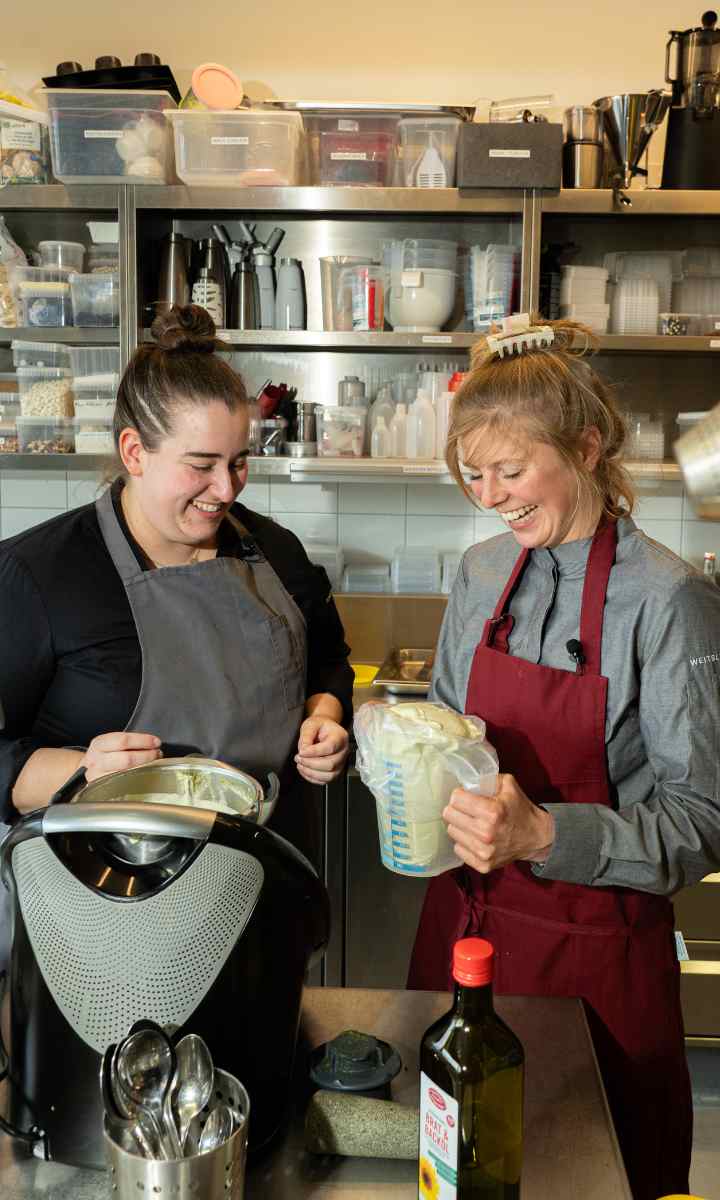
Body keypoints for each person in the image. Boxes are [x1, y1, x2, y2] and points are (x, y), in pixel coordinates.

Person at [407, 316, 720, 1200]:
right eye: (474, 474)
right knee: (455, 1167)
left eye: (510, 471)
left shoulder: (668, 599)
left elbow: (703, 822)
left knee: (589, 1172)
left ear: (585, 448)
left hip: (596, 961)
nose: (491, 496)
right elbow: (444, 727)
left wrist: (543, 834)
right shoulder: (480, 574)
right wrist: (400, 754)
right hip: (465, 937)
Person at [0, 305, 353, 854]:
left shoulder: (276, 552)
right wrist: (80, 772)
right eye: (201, 465)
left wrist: (325, 717)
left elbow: (328, 662)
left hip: (266, 873)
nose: (226, 489)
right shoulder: (39, 574)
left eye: (238, 462)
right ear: (134, 452)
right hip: (103, 885)